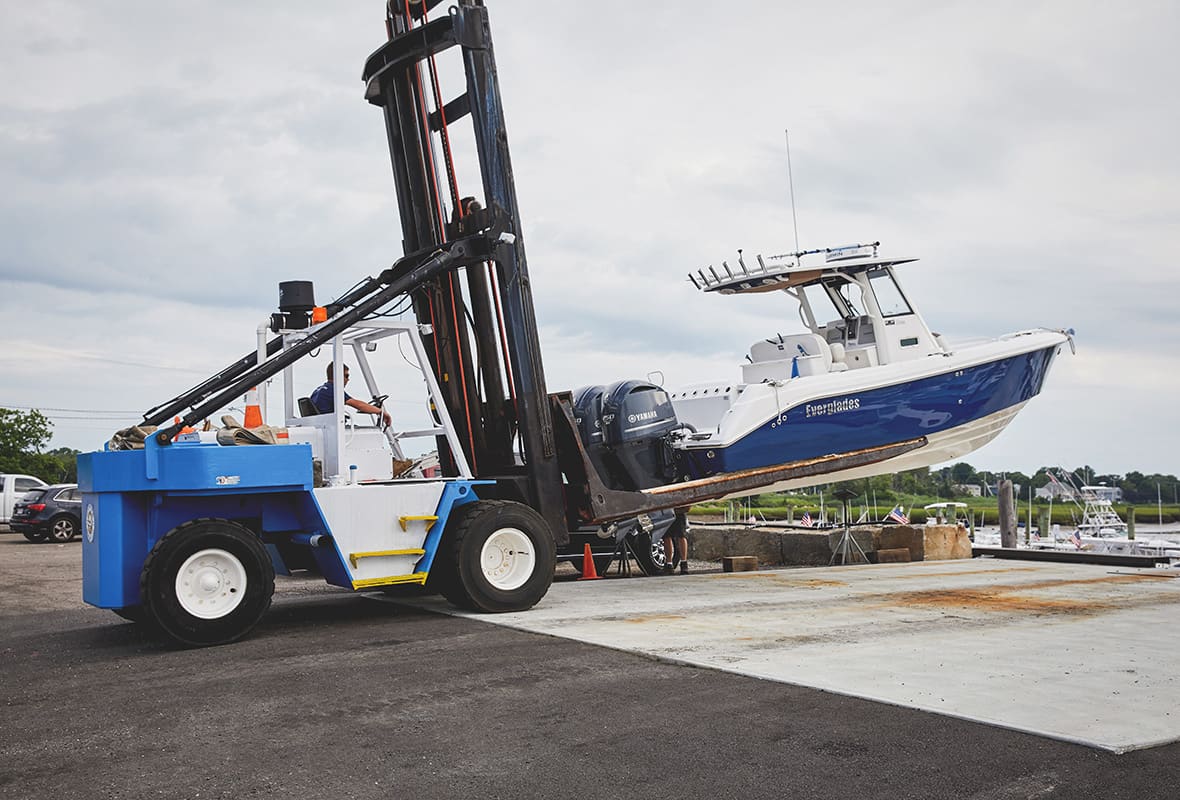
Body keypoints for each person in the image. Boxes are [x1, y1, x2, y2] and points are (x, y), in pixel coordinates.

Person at [310, 362, 391, 426]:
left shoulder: (318, 390)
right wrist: (381, 412)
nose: (348, 379)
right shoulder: (333, 390)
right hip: (330, 429)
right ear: (337, 375)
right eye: (346, 376)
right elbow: (358, 405)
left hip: (323, 428)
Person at [662, 507, 690, 575]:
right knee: (667, 536)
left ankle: (683, 563)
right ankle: (669, 564)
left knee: (681, 535)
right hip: (667, 508)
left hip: (678, 508)